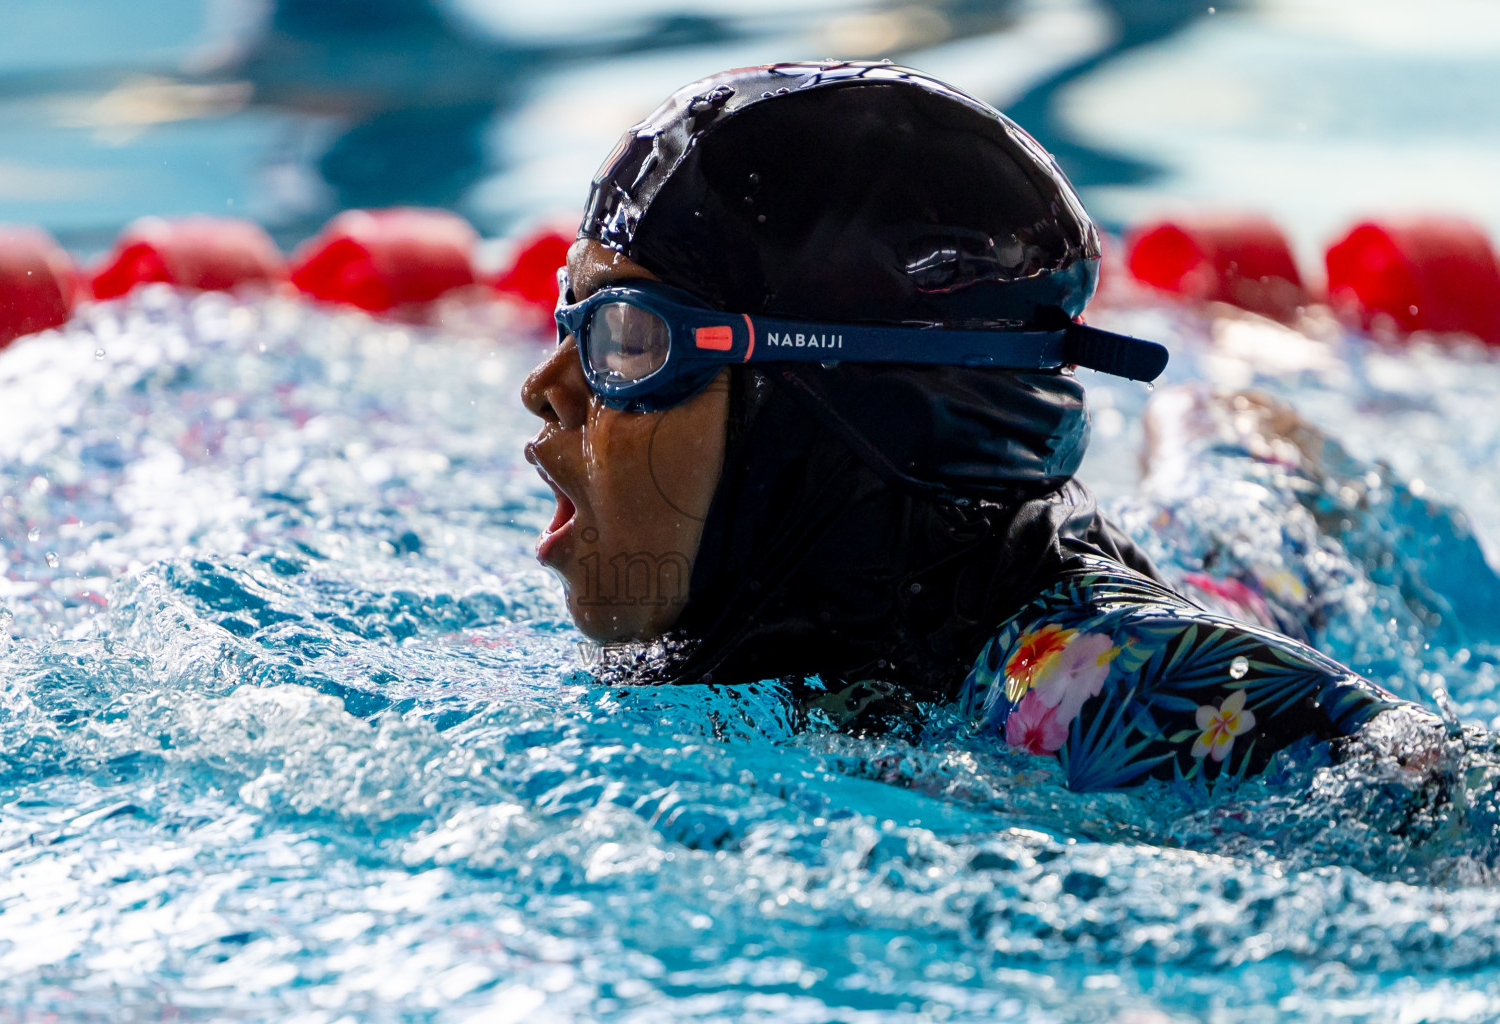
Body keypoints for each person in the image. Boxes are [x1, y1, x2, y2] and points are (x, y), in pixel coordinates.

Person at [520, 61, 1444, 791]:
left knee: (1245, 504)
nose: (545, 388)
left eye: (628, 338)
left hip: (1220, 585)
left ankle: (1242, 428)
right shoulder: (751, 630)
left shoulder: (1114, 687)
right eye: (567, 319)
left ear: (837, 406)